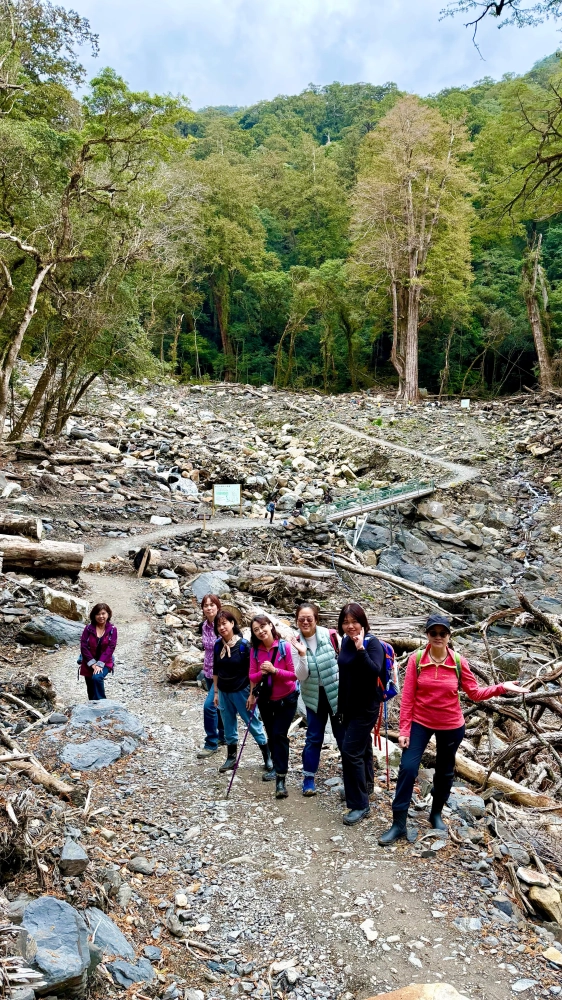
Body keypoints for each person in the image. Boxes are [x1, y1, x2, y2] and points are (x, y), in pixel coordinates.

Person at [379, 613, 529, 845]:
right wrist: (404, 731)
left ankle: (436, 813)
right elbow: (407, 698)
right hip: (420, 722)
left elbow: (474, 693)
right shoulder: (417, 660)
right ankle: (398, 824)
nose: (438, 637)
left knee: (445, 772)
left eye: (442, 633)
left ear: (449, 636)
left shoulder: (458, 661)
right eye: (433, 633)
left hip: (451, 725)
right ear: (427, 635)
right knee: (408, 769)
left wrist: (501, 687)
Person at [337, 602, 385, 826]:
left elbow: (374, 670)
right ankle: (366, 786)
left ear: (362, 622)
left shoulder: (372, 643)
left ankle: (359, 804)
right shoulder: (345, 640)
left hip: (366, 707)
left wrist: (360, 649)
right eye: (346, 622)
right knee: (362, 747)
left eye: (354, 621)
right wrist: (340, 706)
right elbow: (345, 674)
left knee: (350, 751)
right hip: (349, 706)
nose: (350, 626)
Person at [291, 602, 345, 797]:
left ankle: (351, 776)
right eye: (301, 619)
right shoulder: (295, 642)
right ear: (297, 620)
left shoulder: (331, 636)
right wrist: (302, 655)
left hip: (336, 694)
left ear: (316, 619)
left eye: (309, 618)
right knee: (314, 737)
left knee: (342, 737)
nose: (305, 622)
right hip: (313, 696)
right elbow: (301, 676)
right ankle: (308, 778)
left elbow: (343, 662)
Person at [213, 610, 274, 776]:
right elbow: (216, 670)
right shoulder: (218, 645)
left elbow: (252, 671)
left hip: (241, 690)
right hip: (224, 691)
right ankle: (231, 757)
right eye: (219, 625)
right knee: (228, 724)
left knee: (252, 722)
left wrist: (252, 694)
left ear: (232, 623)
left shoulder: (244, 646)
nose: (222, 627)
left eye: (225, 623)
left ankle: (267, 755)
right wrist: (216, 692)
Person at [248, 615, 298, 799]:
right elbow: (251, 677)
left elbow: (294, 675)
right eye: (256, 630)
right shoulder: (255, 651)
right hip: (266, 700)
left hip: (287, 698)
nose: (261, 631)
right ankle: (277, 767)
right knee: (271, 734)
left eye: (263, 626)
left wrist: (275, 671)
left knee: (279, 734)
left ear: (270, 625)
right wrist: (262, 673)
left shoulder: (284, 647)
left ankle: (280, 780)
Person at [196, 594, 225, 758]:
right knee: (217, 704)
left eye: (212, 605)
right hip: (207, 670)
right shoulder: (204, 626)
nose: (209, 608)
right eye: (206, 605)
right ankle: (223, 736)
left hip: (221, 673)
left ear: (218, 606)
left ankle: (211, 743)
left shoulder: (223, 624)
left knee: (209, 706)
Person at [80, 603, 117, 701]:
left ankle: (102, 702)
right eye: (98, 614)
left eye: (103, 613)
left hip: (105, 661)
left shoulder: (112, 630)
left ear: (108, 614)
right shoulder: (88, 629)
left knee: (97, 677)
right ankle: (93, 707)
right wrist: (92, 663)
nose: (101, 616)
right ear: (94, 616)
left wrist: (100, 664)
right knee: (90, 687)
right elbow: (83, 646)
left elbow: (111, 648)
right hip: (88, 661)